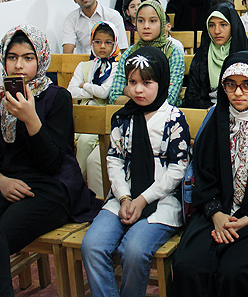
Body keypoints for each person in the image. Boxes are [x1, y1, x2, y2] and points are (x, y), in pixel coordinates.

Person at [0, 25, 100, 297]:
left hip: (51, 187)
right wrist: (0, 180)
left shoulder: (56, 97)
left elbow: (53, 162)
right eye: (12, 57)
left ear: (41, 59)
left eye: (28, 58)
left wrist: (31, 119)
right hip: (8, 184)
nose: (18, 66)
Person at [170, 51, 248, 297]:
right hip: (216, 210)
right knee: (188, 265)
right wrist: (216, 213)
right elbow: (204, 174)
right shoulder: (216, 120)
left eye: (247, 85)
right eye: (230, 84)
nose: (238, 92)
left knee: (234, 272)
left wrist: (247, 218)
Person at [81, 47, 190, 297]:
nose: (138, 90)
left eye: (147, 83)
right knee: (92, 246)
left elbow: (177, 169)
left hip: (161, 200)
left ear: (162, 82)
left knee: (134, 251)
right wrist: (124, 197)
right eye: (132, 82)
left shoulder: (173, 118)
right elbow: (114, 160)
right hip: (123, 197)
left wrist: (142, 200)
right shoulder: (123, 118)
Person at [67, 22, 120, 191]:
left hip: (101, 118)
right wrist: (92, 91)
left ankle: (76, 186)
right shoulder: (84, 66)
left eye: (108, 42)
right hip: (81, 114)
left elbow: (104, 93)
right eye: (97, 42)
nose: (102, 46)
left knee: (84, 141)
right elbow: (71, 92)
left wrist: (84, 85)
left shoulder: (116, 67)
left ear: (115, 43)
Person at [109, 1, 184, 107]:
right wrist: (153, 93)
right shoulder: (129, 53)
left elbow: (170, 98)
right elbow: (114, 97)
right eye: (140, 21)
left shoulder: (173, 52)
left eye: (152, 21)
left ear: (162, 23)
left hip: (164, 114)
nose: (146, 26)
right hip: (132, 114)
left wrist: (128, 90)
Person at [183, 3, 248, 109]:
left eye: (223, 25)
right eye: (211, 25)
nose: (217, 31)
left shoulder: (245, 56)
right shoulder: (202, 55)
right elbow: (192, 96)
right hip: (207, 111)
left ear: (233, 26)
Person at [62, 0, 128, 54]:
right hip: (83, 61)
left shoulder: (113, 16)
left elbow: (123, 49)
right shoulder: (71, 19)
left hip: (110, 60)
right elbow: (67, 53)